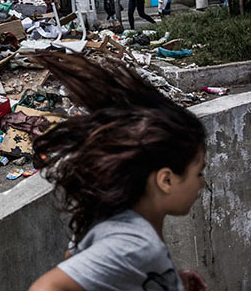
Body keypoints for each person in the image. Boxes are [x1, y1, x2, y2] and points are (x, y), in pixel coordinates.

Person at [28, 53, 208, 291]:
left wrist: (170, 281)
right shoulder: (140, 246)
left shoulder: (110, 217)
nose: (202, 184)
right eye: (199, 173)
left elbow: (73, 260)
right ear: (166, 179)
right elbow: (46, 288)